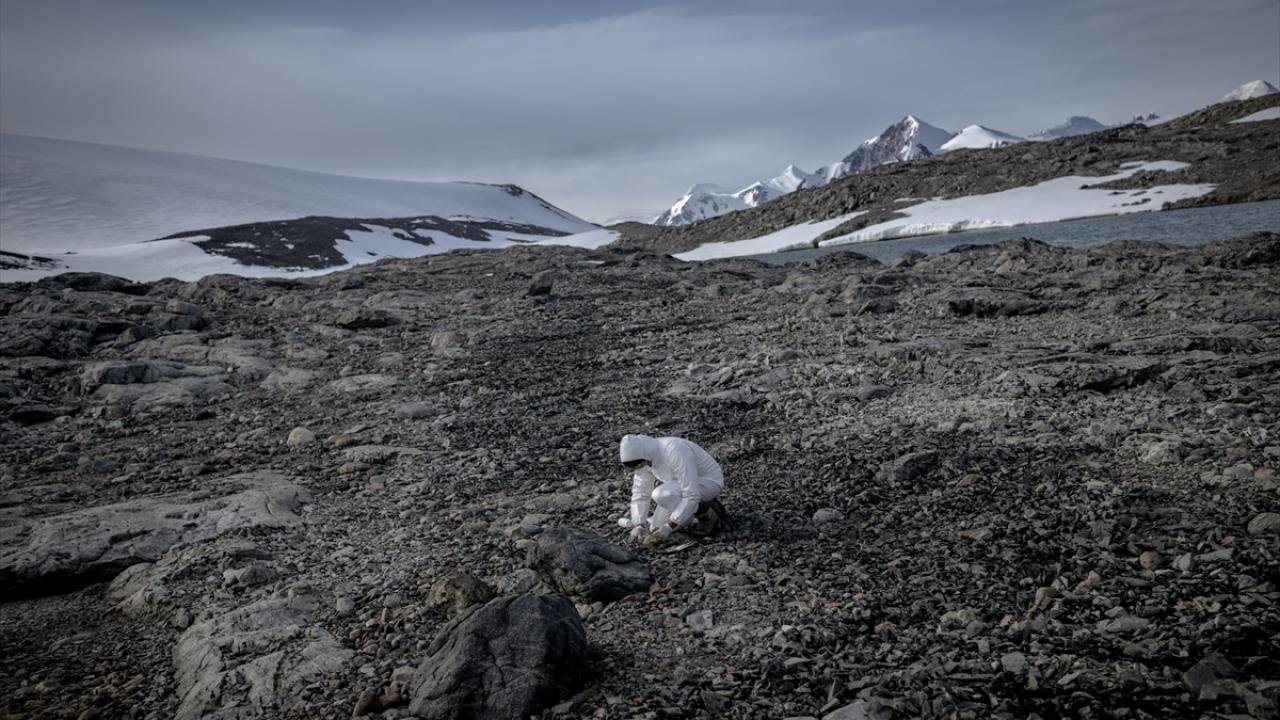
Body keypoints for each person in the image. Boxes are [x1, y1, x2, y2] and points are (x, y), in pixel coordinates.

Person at [616, 433, 724, 544]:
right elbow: (641, 492)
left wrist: (670, 526)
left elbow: (691, 493)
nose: (637, 468)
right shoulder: (644, 459)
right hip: (679, 486)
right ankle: (696, 509)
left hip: (708, 482)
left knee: (661, 494)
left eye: (638, 465)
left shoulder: (673, 449)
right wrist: (639, 524)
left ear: (643, 456)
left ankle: (705, 513)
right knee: (655, 529)